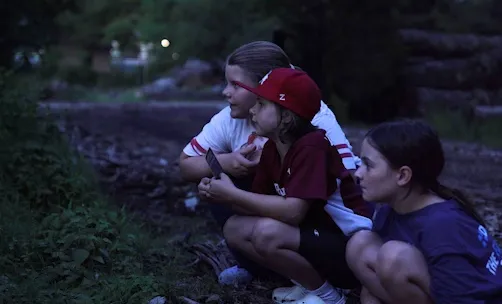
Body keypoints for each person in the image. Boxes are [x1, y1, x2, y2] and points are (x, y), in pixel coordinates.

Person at [179, 41, 362, 286]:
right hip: (290, 216)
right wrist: (225, 176)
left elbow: (340, 182)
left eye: (236, 85)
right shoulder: (260, 136)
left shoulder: (312, 132)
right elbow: (186, 165)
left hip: (331, 228)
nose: (225, 92)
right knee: (229, 207)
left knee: (265, 227)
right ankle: (274, 273)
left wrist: (234, 194)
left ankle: (323, 289)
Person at [346, 119, 502, 304]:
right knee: (360, 244)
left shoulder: (442, 225)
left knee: (393, 257)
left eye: (368, 166)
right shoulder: (389, 211)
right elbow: (371, 289)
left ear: (403, 176)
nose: (358, 173)